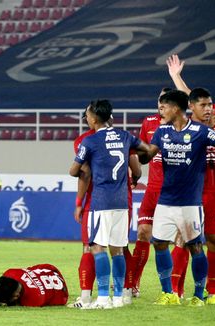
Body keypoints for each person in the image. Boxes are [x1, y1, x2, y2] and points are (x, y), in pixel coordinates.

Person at [138, 90, 215, 306]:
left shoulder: (202, 132)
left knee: (195, 247)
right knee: (160, 243)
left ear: (175, 108)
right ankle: (168, 294)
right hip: (166, 200)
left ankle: (199, 295)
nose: (160, 111)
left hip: (191, 202)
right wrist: (138, 150)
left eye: (163, 107)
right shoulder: (161, 131)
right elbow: (148, 155)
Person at [69, 100, 144, 309]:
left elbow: (82, 173)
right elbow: (137, 169)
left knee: (92, 246)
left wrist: (79, 202)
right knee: (120, 248)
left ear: (93, 118)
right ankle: (123, 294)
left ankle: (91, 297)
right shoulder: (124, 136)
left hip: (98, 199)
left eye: (87, 115)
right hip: (123, 198)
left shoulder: (85, 141)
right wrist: (133, 180)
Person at [167, 55, 215, 304]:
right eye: (204, 106)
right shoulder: (189, 126)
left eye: (210, 106)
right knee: (184, 239)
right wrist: (176, 77)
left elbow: (198, 98)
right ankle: (175, 291)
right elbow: (191, 95)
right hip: (191, 192)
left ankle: (211, 294)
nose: (208, 109)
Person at [130, 88, 172, 296]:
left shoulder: (185, 125)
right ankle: (133, 283)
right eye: (160, 100)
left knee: (182, 240)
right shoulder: (148, 122)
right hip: (153, 188)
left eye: (166, 101)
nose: (161, 105)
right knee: (143, 233)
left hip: (177, 191)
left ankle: (177, 290)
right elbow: (140, 151)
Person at [0, 264, 68, 307]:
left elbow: (14, 304)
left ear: (17, 296)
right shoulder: (11, 272)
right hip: (49, 268)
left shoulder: (35, 300)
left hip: (62, 294)